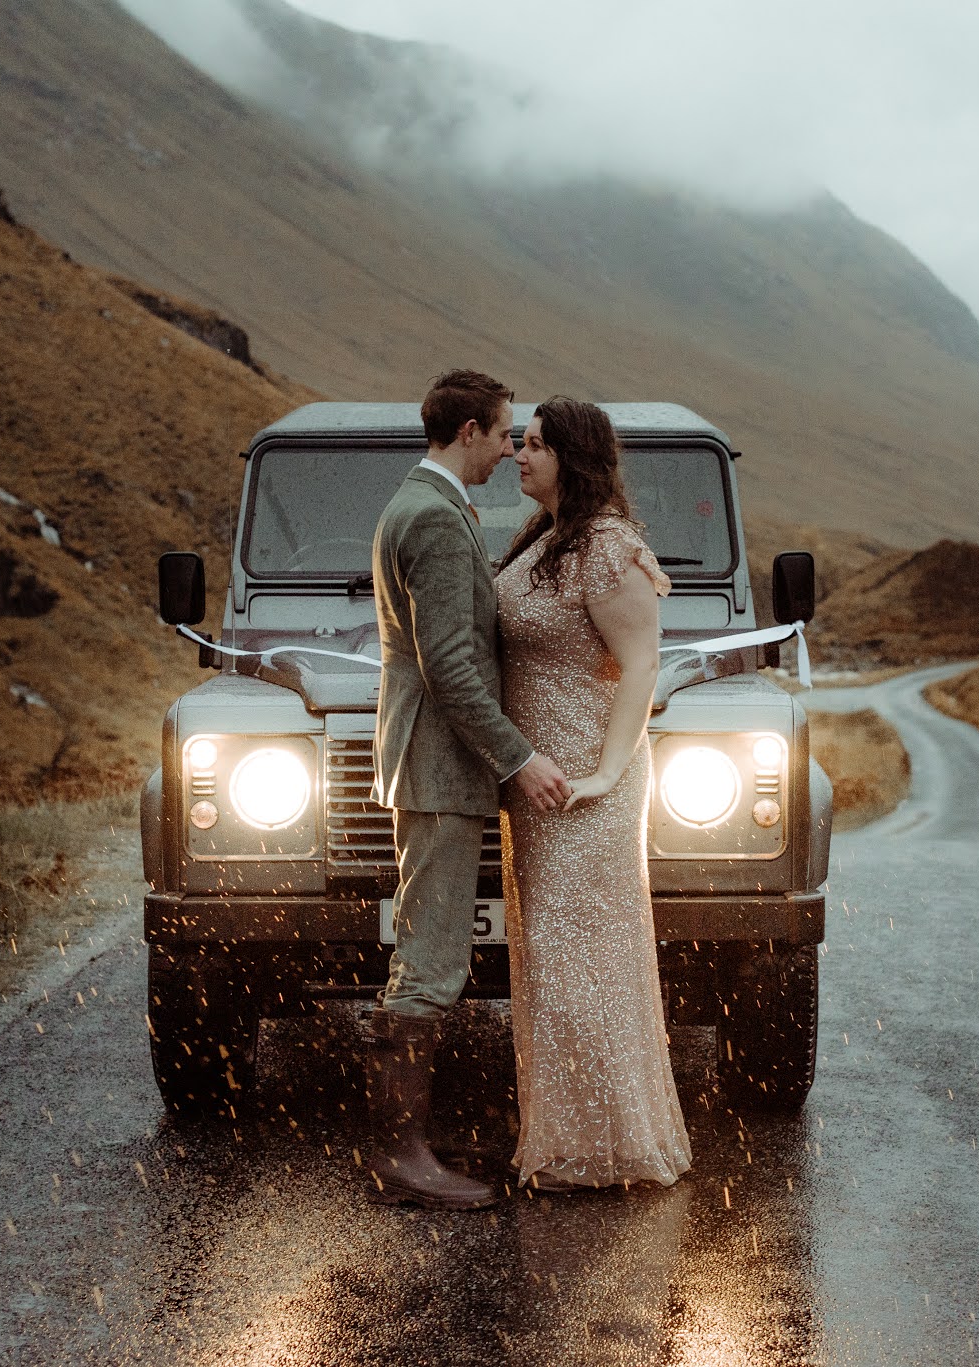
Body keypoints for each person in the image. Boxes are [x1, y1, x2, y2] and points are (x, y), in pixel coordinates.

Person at [367, 369, 572, 1210]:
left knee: (429, 947)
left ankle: (406, 1142)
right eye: (502, 433)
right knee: (431, 958)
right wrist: (518, 757)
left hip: (428, 763)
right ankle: (399, 1156)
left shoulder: (417, 505)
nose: (509, 448)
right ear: (465, 431)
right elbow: (451, 664)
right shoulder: (437, 520)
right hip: (443, 767)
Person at [496, 396, 693, 1191]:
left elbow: (641, 663)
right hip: (543, 787)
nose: (520, 454)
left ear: (572, 457)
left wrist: (610, 773)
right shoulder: (546, 537)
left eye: (537, 445)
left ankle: (607, 1147)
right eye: (519, 442)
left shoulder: (610, 546)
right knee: (552, 959)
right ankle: (574, 1139)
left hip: (584, 783)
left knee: (581, 958)